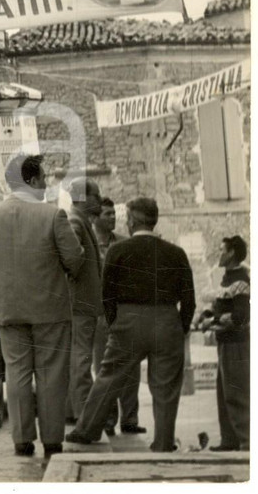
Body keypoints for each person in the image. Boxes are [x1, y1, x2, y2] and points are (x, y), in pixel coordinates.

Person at [0, 153, 84, 459]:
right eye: (44, 178)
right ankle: (52, 440)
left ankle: (22, 439)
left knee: (17, 372)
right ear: (32, 181)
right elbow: (74, 259)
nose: (46, 183)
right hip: (51, 309)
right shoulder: (53, 215)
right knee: (51, 374)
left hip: (7, 309)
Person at [67, 198, 196, 453]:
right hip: (167, 320)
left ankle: (87, 430)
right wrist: (180, 326)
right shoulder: (176, 253)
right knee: (166, 386)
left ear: (132, 220)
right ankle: (163, 441)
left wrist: (116, 323)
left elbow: (107, 295)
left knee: (109, 377)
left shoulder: (118, 251)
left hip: (128, 321)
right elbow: (189, 298)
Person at [92, 197, 143, 436]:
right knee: (105, 368)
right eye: (107, 214)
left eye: (114, 214)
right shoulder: (88, 244)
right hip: (100, 314)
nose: (112, 218)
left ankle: (130, 419)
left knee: (131, 366)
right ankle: (108, 419)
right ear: (96, 217)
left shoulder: (125, 244)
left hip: (124, 311)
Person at [194, 235, 250, 451]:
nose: (219, 254)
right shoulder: (230, 277)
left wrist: (211, 320)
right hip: (227, 342)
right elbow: (222, 304)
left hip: (236, 344)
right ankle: (230, 440)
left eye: (222, 250)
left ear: (232, 253)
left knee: (236, 394)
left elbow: (240, 317)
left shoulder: (241, 280)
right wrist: (206, 314)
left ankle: (246, 442)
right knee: (226, 393)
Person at [63, 178, 104, 426]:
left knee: (78, 359)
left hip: (81, 304)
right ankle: (83, 417)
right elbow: (71, 258)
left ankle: (73, 411)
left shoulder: (80, 221)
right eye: (96, 196)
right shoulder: (76, 222)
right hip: (80, 305)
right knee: (81, 360)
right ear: (83, 198)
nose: (99, 200)